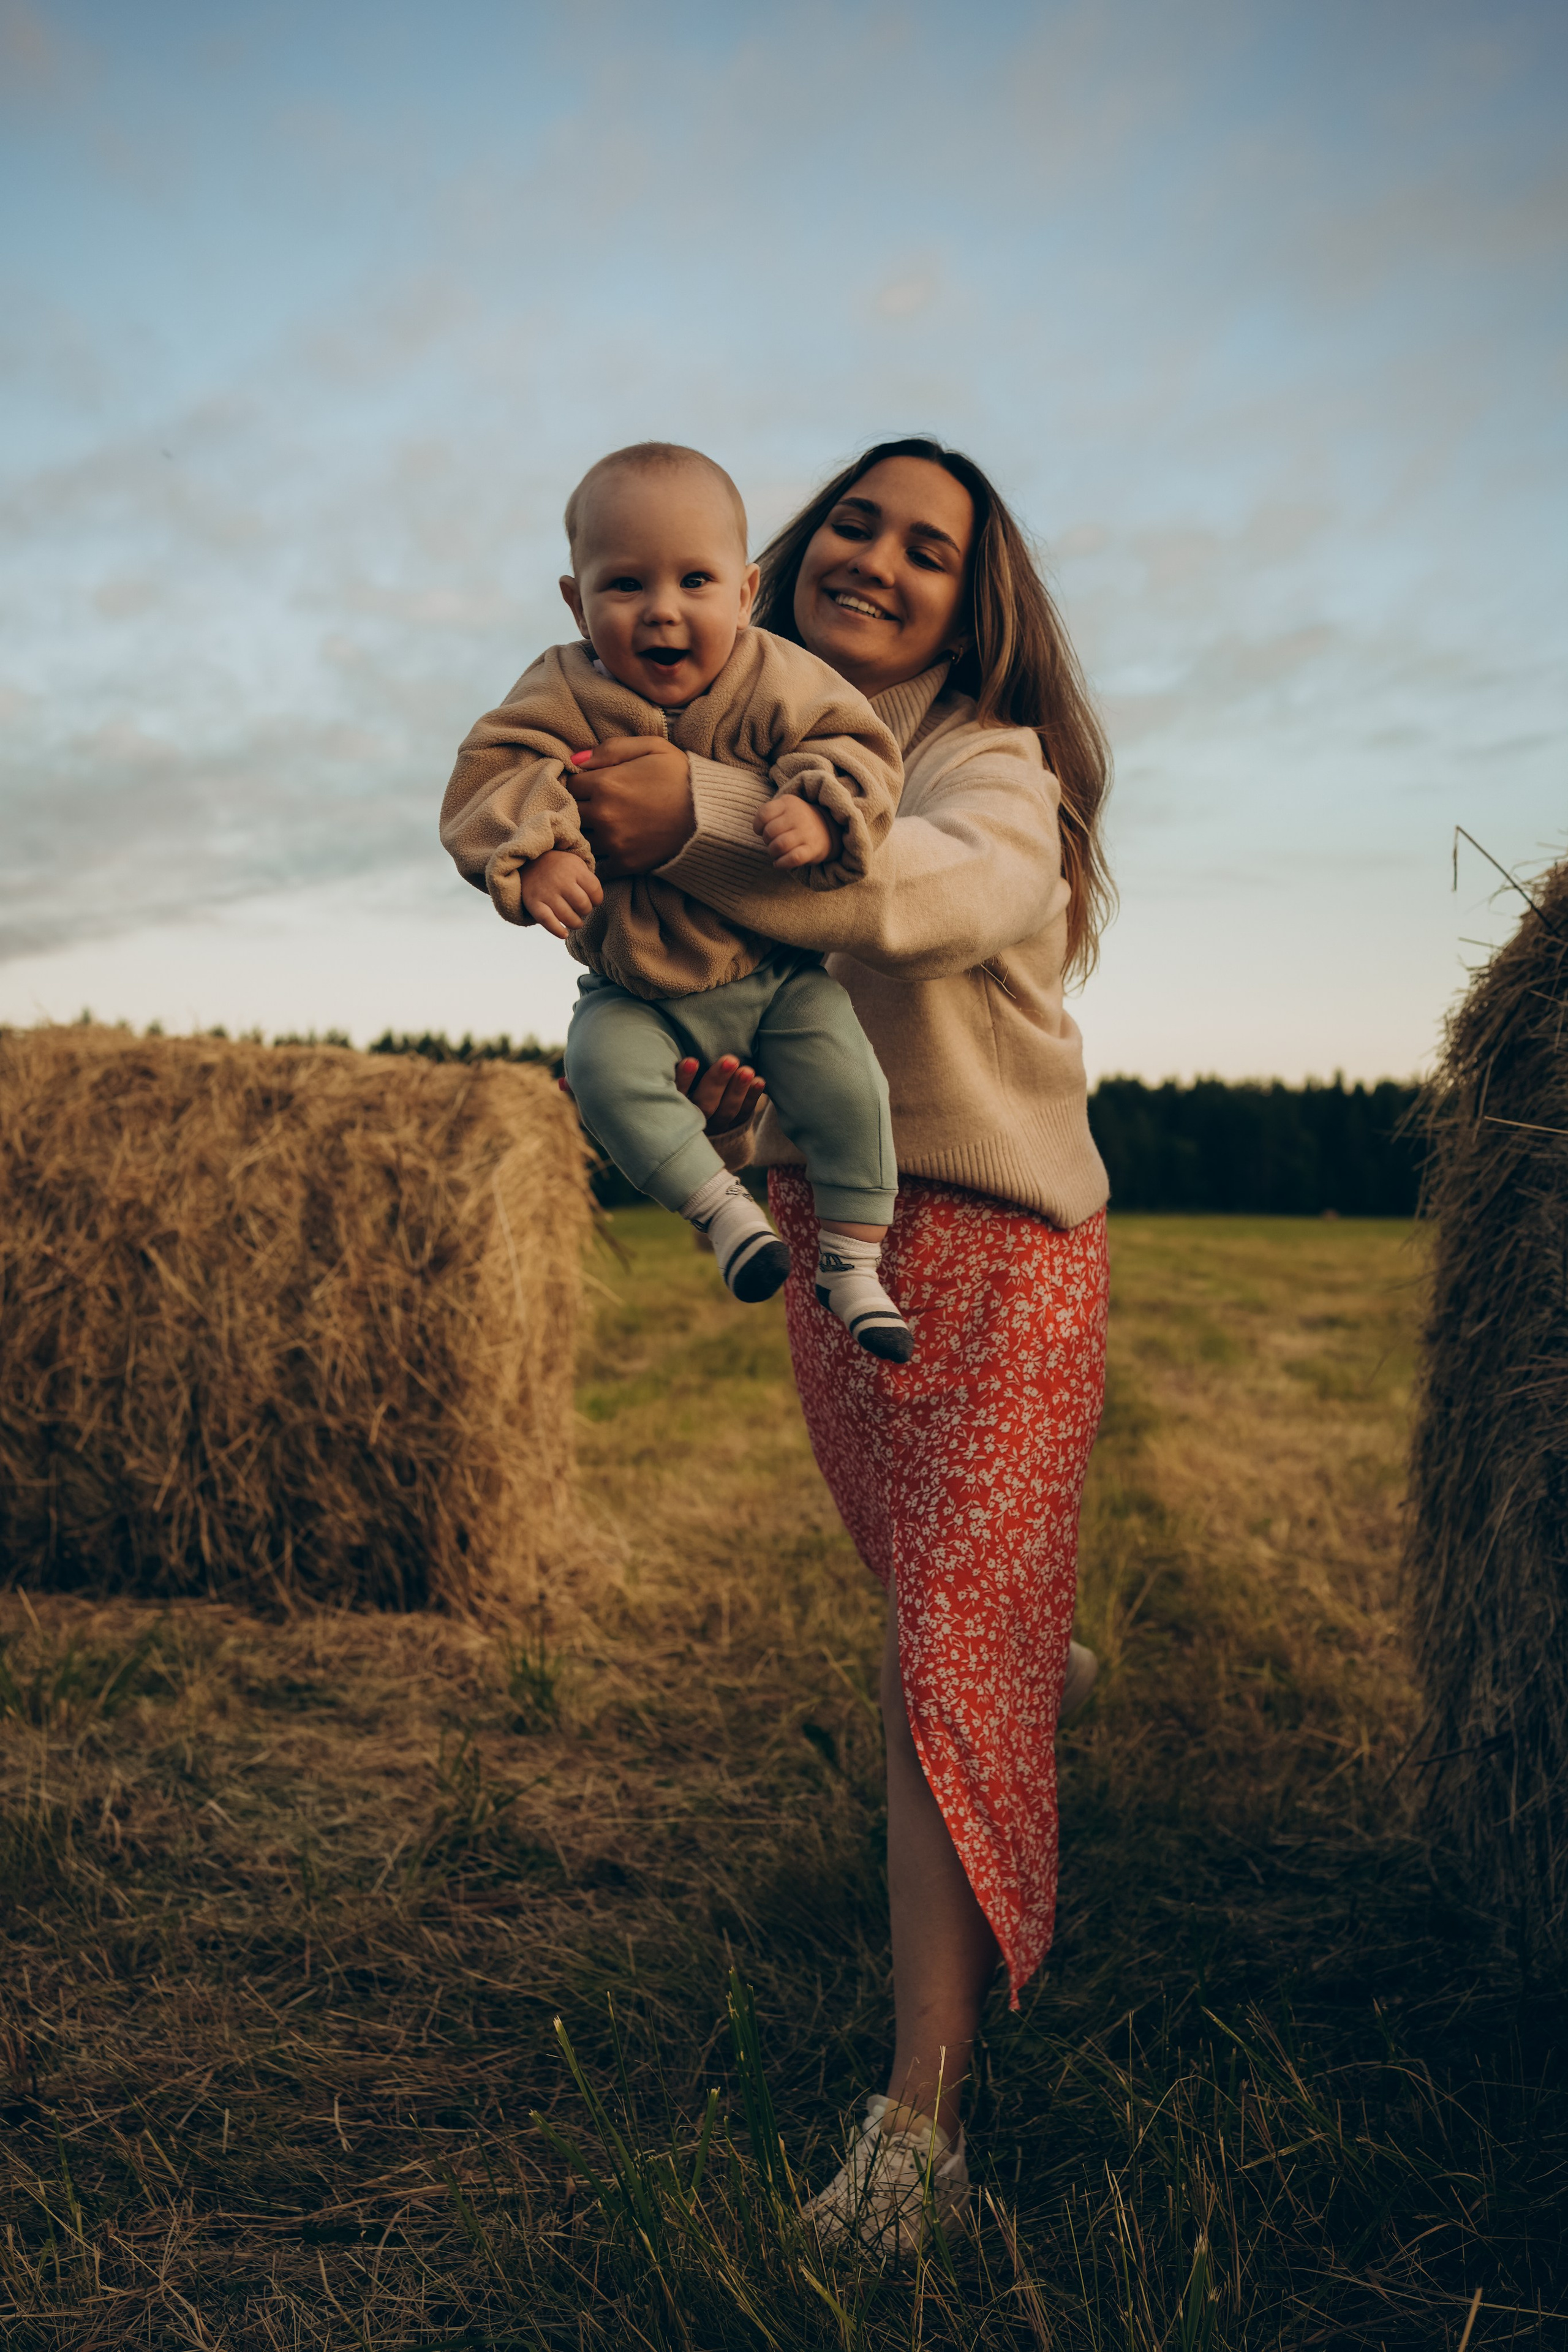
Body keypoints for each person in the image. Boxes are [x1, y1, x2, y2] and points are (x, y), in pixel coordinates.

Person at [561, 439, 1114, 2259]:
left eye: (930, 548)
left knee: (940, 1658)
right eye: (856, 523)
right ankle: (1031, 1666)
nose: (878, 559)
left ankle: (920, 2123)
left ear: (977, 602)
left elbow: (922, 892)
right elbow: (723, 1014)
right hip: (837, 1252)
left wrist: (692, 830)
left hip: (1007, 1249)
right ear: (786, 558)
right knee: (931, 1629)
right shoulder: (712, 736)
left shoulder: (988, 766)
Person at [438, 442, 914, 1359]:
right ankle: (724, 1214)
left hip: (774, 977)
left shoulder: (775, 675)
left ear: (744, 592)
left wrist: (820, 806)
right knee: (600, 1071)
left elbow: (851, 742)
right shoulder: (562, 689)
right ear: (577, 601)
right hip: (637, 992)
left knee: (852, 1083)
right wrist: (533, 853)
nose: (662, 610)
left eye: (695, 581)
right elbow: (490, 776)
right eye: (624, 586)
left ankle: (855, 1263)